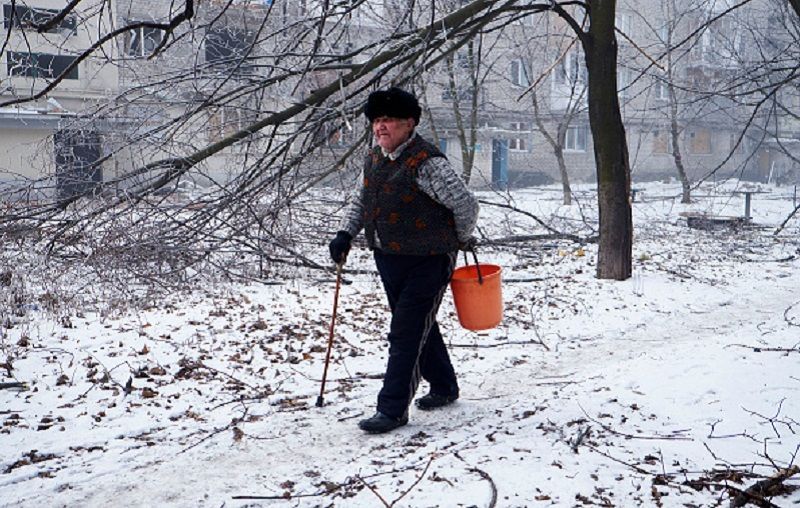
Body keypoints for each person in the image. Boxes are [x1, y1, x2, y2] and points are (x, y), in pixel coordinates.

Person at [328, 87, 479, 433]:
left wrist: (457, 239)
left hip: (429, 259)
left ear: (409, 124)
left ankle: (392, 409)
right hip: (389, 257)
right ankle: (444, 385)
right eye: (377, 121)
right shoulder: (375, 158)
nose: (381, 127)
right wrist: (345, 234)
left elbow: (466, 206)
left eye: (390, 121)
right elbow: (361, 200)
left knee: (406, 331)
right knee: (418, 323)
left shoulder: (427, 163)